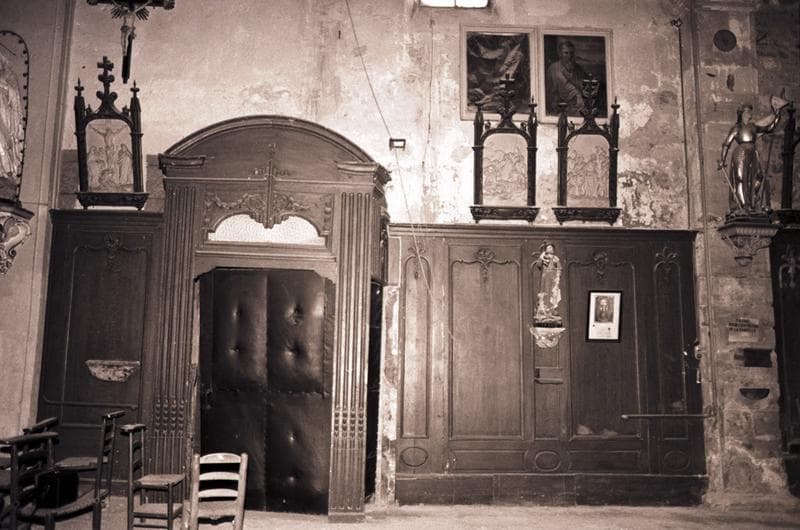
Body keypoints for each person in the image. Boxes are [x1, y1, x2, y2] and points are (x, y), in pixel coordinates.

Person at [718, 98, 787, 213]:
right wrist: (722, 159)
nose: (750, 113)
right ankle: (743, 206)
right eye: (747, 111)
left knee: (758, 176)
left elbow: (769, 128)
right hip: (740, 152)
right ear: (742, 113)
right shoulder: (737, 128)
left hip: (753, 152)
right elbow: (726, 144)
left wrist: (777, 115)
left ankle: (753, 201)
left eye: (750, 111)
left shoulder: (753, 127)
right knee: (740, 178)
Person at [546, 40, 587, 115]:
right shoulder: (553, 68)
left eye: (571, 53)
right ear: (560, 54)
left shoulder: (578, 69)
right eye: (566, 53)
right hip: (559, 106)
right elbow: (549, 90)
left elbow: (583, 88)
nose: (569, 56)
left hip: (576, 106)